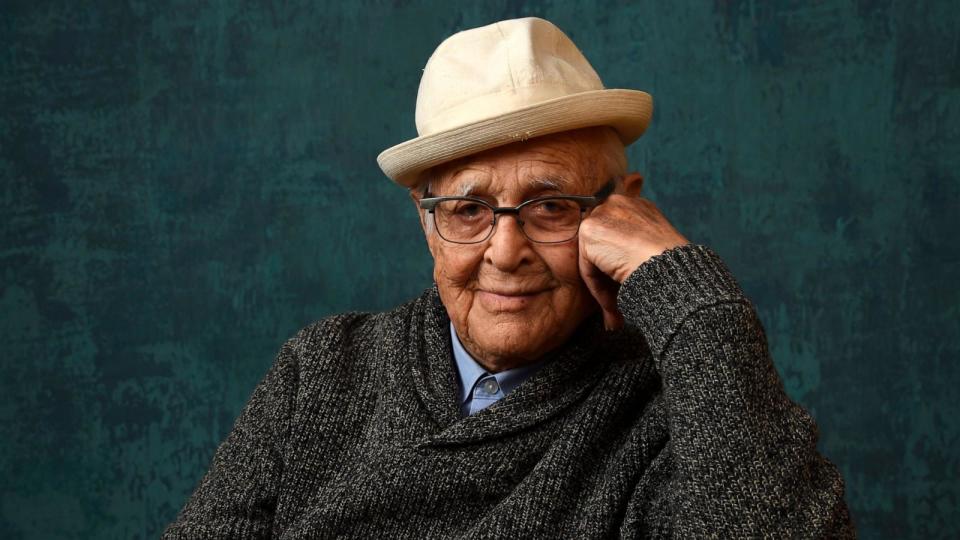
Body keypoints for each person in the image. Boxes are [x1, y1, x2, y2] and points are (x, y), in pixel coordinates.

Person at [162, 16, 855, 538]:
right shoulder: (323, 368)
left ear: (624, 211)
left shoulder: (684, 403)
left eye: (550, 206)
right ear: (424, 218)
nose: (505, 249)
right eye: (467, 208)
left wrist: (690, 297)